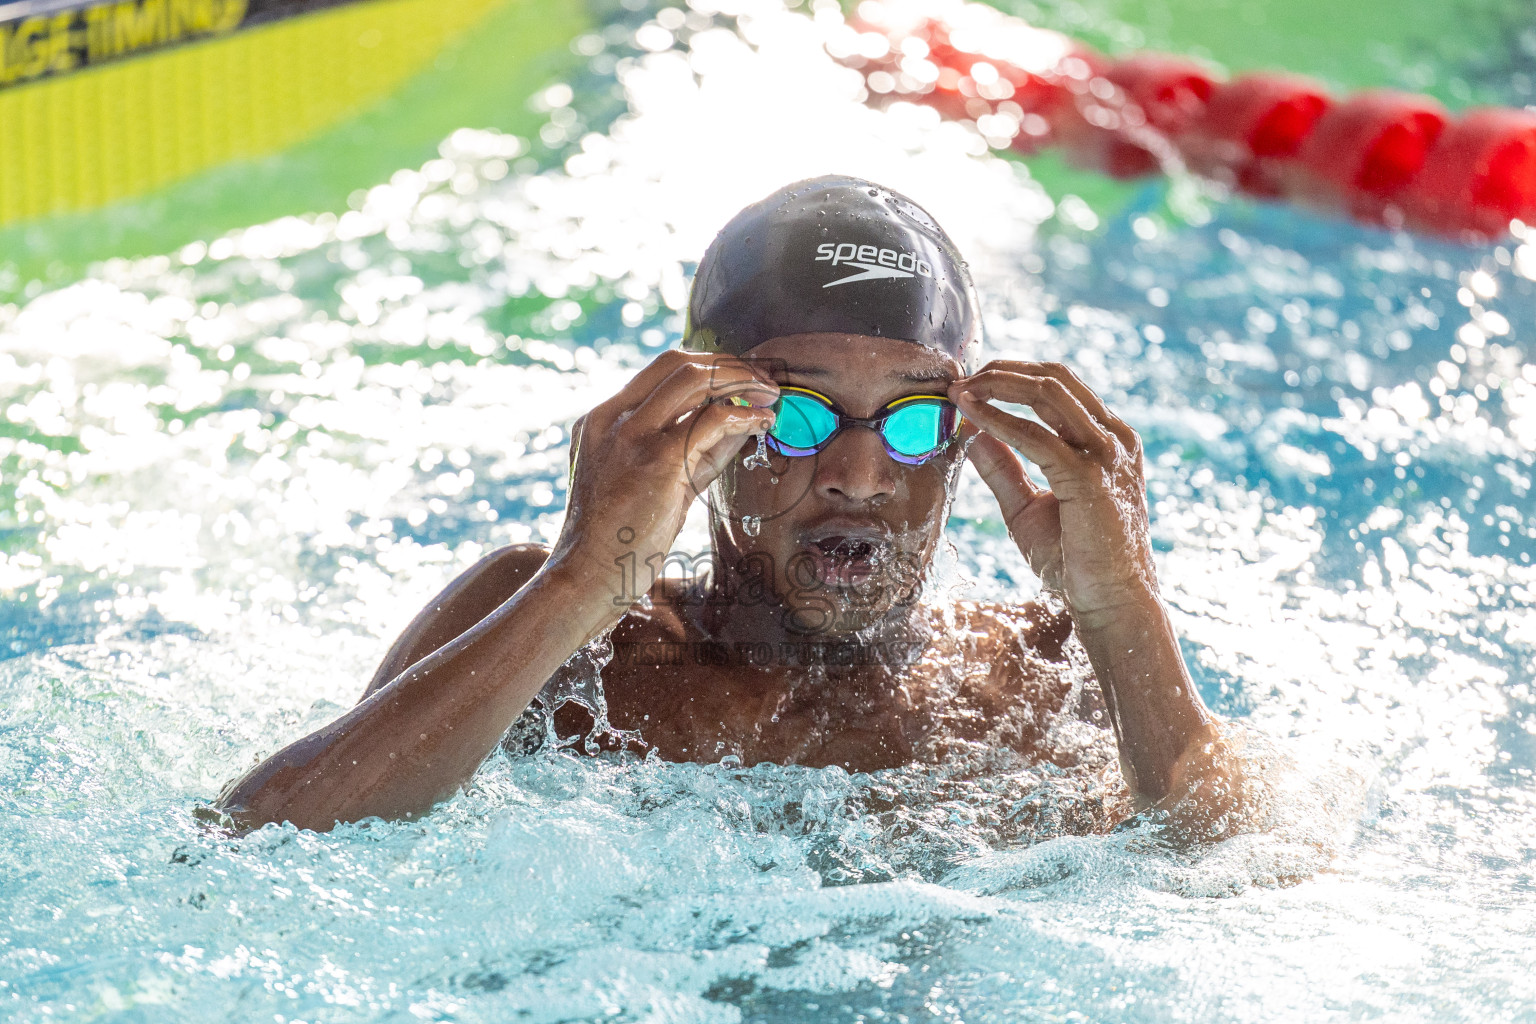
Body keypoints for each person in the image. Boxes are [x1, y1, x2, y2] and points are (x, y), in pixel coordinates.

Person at [214, 175, 1256, 836]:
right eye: (797, 415)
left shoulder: (1048, 672)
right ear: (699, 415)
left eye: (909, 421)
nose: (858, 471)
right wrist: (582, 580)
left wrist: (1125, 608)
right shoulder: (565, 646)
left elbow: (1243, 871)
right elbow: (257, 850)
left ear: (964, 438)